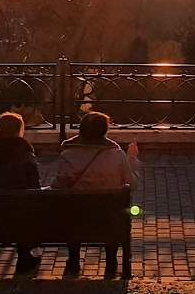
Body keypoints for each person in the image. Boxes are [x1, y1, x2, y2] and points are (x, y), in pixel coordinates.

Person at [51, 111, 139, 276]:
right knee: (113, 213)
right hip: (109, 220)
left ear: (81, 131)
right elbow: (132, 184)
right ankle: (111, 262)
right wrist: (132, 160)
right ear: (104, 131)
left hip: (76, 220)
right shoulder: (117, 155)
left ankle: (74, 261)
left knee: (72, 212)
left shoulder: (67, 155)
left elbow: (58, 187)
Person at [0, 112, 41, 273]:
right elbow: (34, 186)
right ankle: (25, 257)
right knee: (28, 212)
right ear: (19, 130)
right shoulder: (24, 151)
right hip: (20, 209)